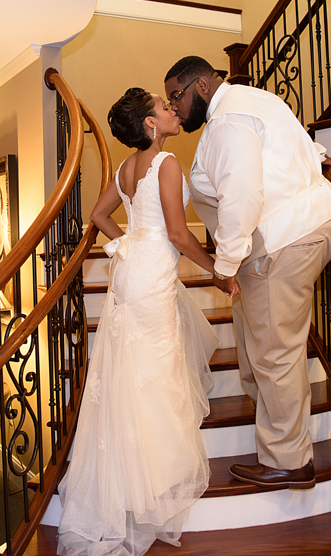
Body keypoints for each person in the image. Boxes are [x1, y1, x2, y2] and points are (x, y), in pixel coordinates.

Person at [56, 87, 238, 556]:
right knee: (156, 371)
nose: (173, 109)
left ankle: (135, 477)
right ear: (151, 125)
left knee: (134, 374)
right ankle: (158, 479)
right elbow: (178, 233)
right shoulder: (167, 163)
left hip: (131, 273)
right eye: (163, 106)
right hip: (151, 273)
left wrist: (130, 242)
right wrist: (216, 272)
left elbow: (99, 216)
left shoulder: (123, 169)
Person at [164, 56, 331, 490]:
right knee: (260, 341)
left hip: (281, 239)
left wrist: (224, 266)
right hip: (310, 225)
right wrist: (319, 158)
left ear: (202, 85)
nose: (175, 108)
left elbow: (242, 195)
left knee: (274, 352)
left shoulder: (226, 123)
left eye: (177, 96)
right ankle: (274, 419)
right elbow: (302, 143)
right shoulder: (255, 99)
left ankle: (289, 461)